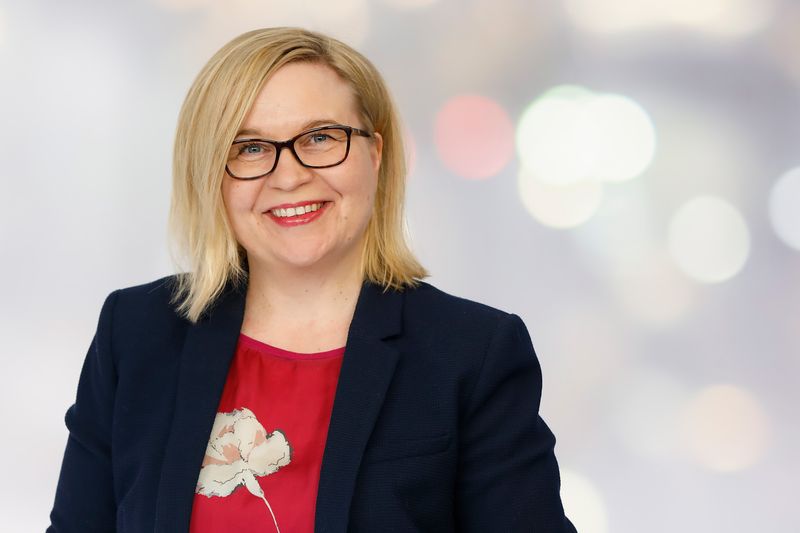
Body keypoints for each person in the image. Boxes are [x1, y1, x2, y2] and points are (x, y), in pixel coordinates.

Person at [48, 27, 576, 532]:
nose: (289, 175)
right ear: (210, 175)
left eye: (321, 137)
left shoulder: (472, 353)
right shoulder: (135, 333)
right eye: (250, 148)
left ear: (376, 153)